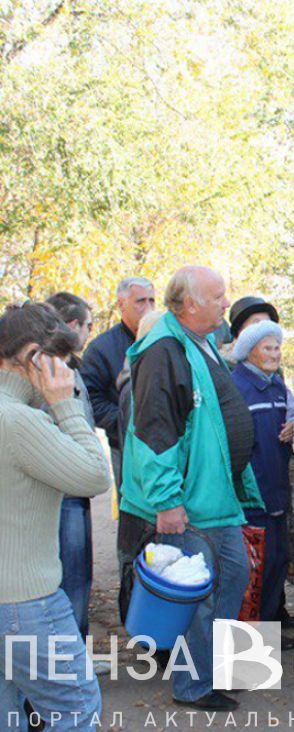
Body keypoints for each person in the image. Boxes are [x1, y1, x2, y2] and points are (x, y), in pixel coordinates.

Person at [119, 266, 263, 711]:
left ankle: (213, 670)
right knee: (204, 592)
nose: (226, 303)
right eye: (218, 297)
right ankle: (194, 685)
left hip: (214, 496)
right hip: (190, 502)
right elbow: (154, 433)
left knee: (232, 576)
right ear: (189, 305)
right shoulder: (163, 350)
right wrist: (168, 501)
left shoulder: (197, 342)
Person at [0, 303, 113, 731]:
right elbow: (94, 476)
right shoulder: (18, 420)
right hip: (25, 603)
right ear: (36, 359)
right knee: (76, 707)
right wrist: (65, 406)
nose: (67, 375)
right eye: (61, 363)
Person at [43, 293, 99, 641]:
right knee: (71, 579)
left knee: (77, 576)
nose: (90, 333)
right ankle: (68, 658)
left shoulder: (70, 368)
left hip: (75, 489)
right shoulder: (52, 373)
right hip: (65, 491)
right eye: (89, 325)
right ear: (74, 326)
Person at [231, 322, 293, 627]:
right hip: (253, 498)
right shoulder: (237, 387)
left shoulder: (277, 385)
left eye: (277, 347)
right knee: (255, 574)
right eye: (267, 348)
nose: (274, 354)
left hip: (278, 492)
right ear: (249, 352)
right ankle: (249, 648)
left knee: (277, 565)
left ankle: (266, 635)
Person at [113, 309, 163, 626]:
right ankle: (149, 636)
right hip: (144, 501)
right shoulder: (139, 386)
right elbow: (147, 448)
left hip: (144, 499)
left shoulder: (143, 378)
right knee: (145, 568)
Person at [81, 276, 156, 487]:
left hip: (166, 445)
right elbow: (89, 398)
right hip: (125, 448)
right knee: (135, 514)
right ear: (121, 305)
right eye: (140, 301)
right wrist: (125, 423)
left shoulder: (164, 340)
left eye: (152, 300)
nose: (148, 307)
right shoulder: (101, 348)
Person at [222, 296, 279, 366]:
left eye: (268, 324)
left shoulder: (273, 368)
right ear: (239, 331)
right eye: (256, 323)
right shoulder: (221, 364)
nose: (264, 329)